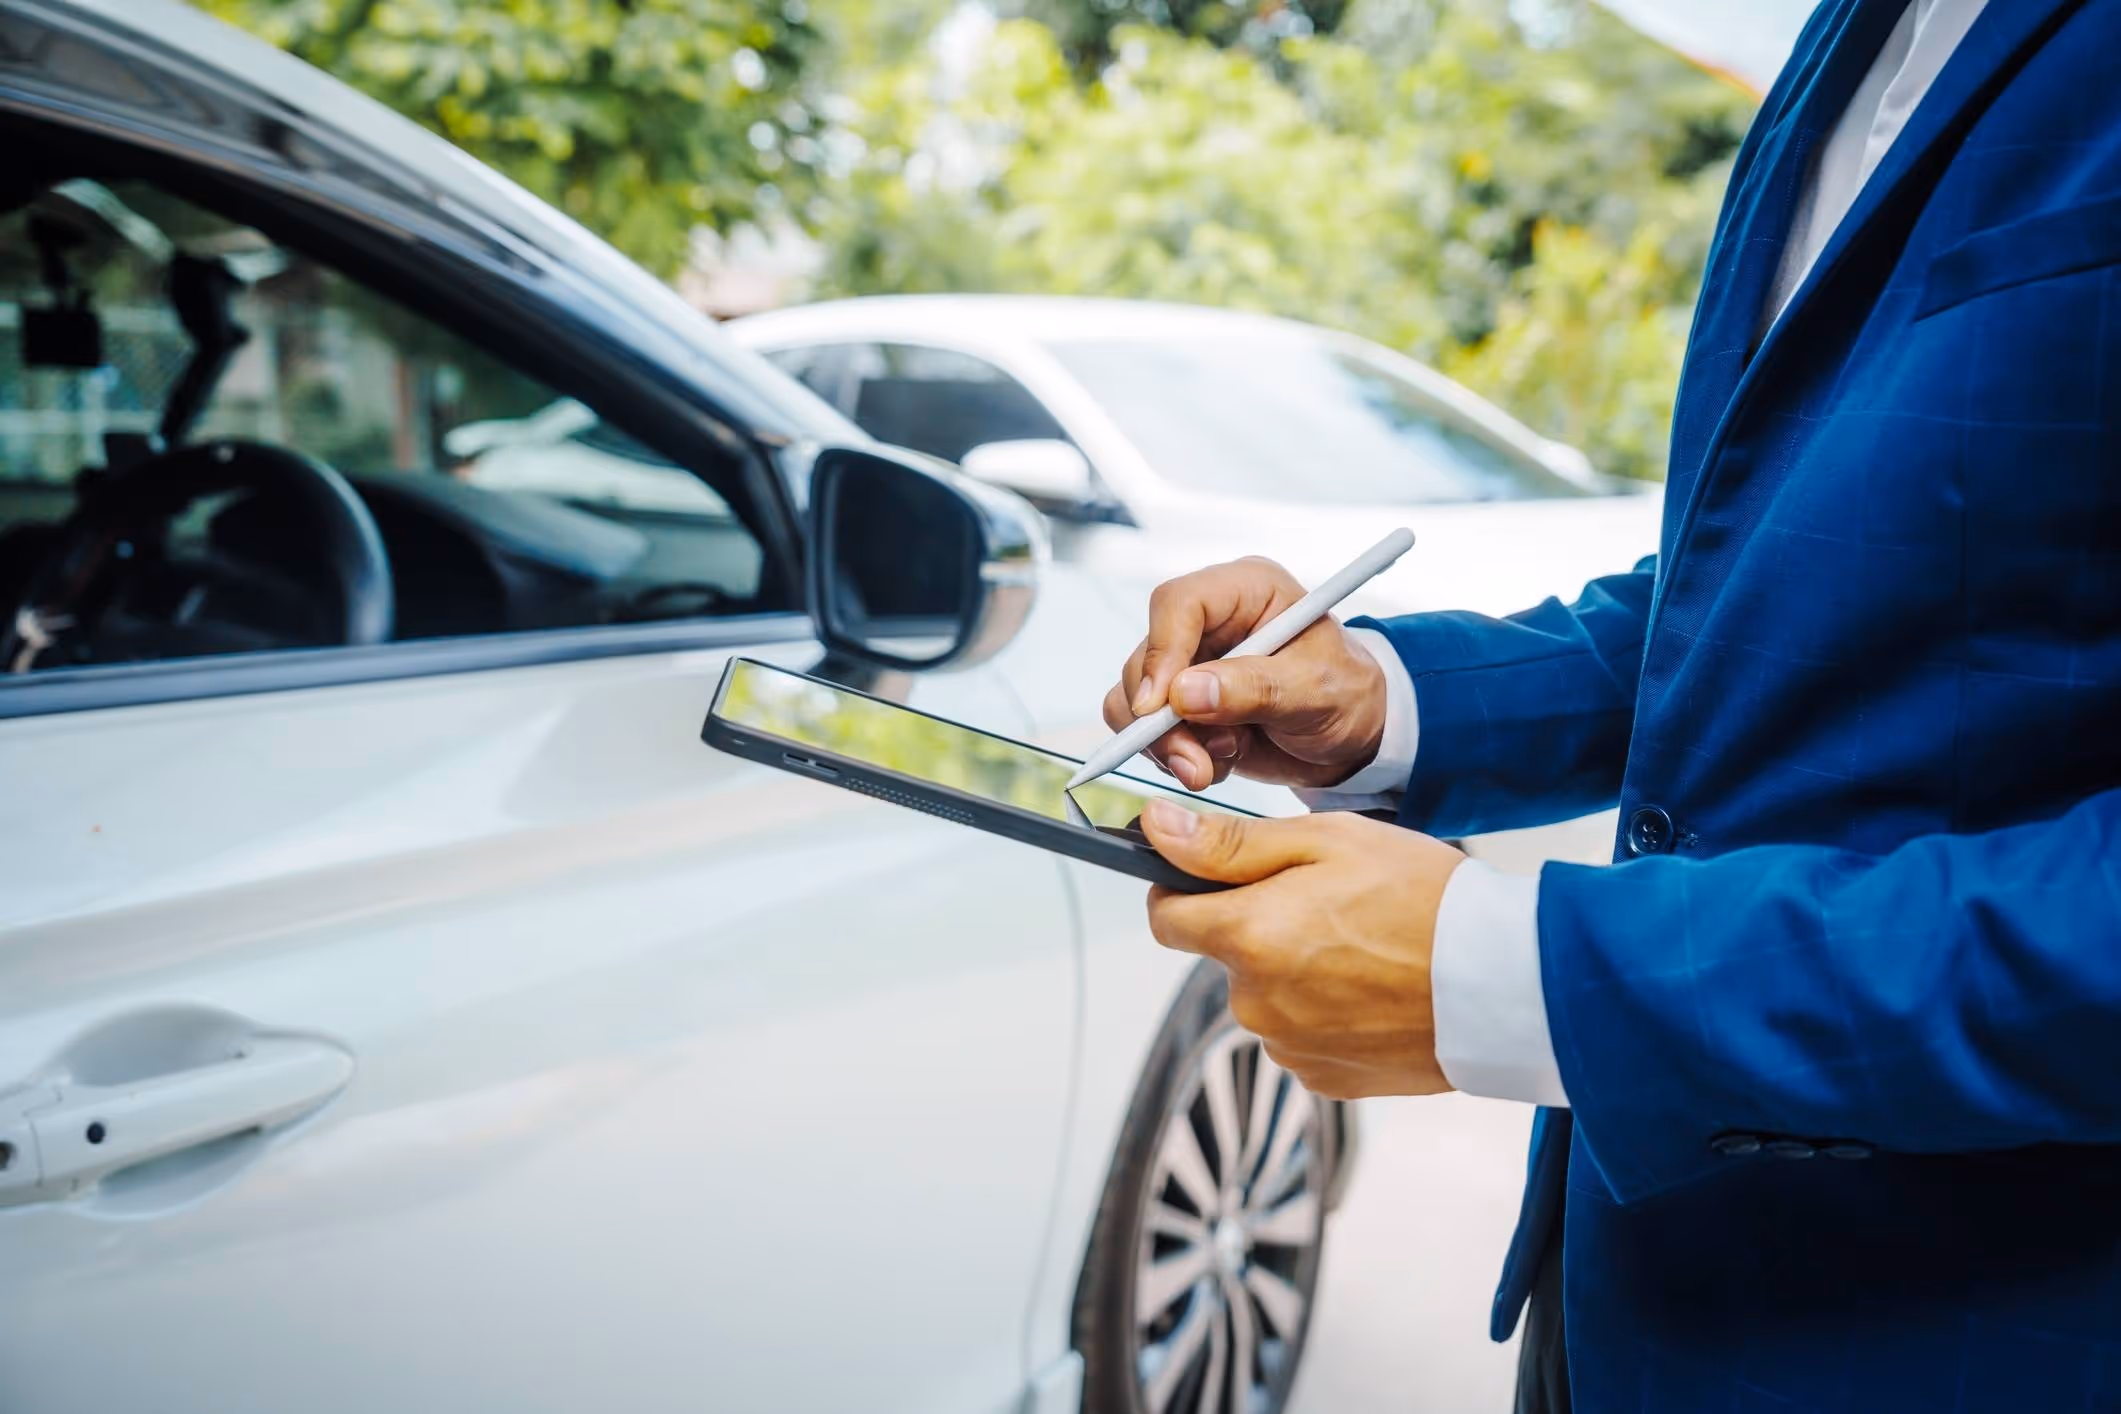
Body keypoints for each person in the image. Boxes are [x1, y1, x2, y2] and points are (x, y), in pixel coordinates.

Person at [1099, 0, 2121, 1408]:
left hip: (1970, 1342)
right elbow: (1774, 596)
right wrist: (1391, 702)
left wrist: (1536, 985)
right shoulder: (1849, 40)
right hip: (1622, 1307)